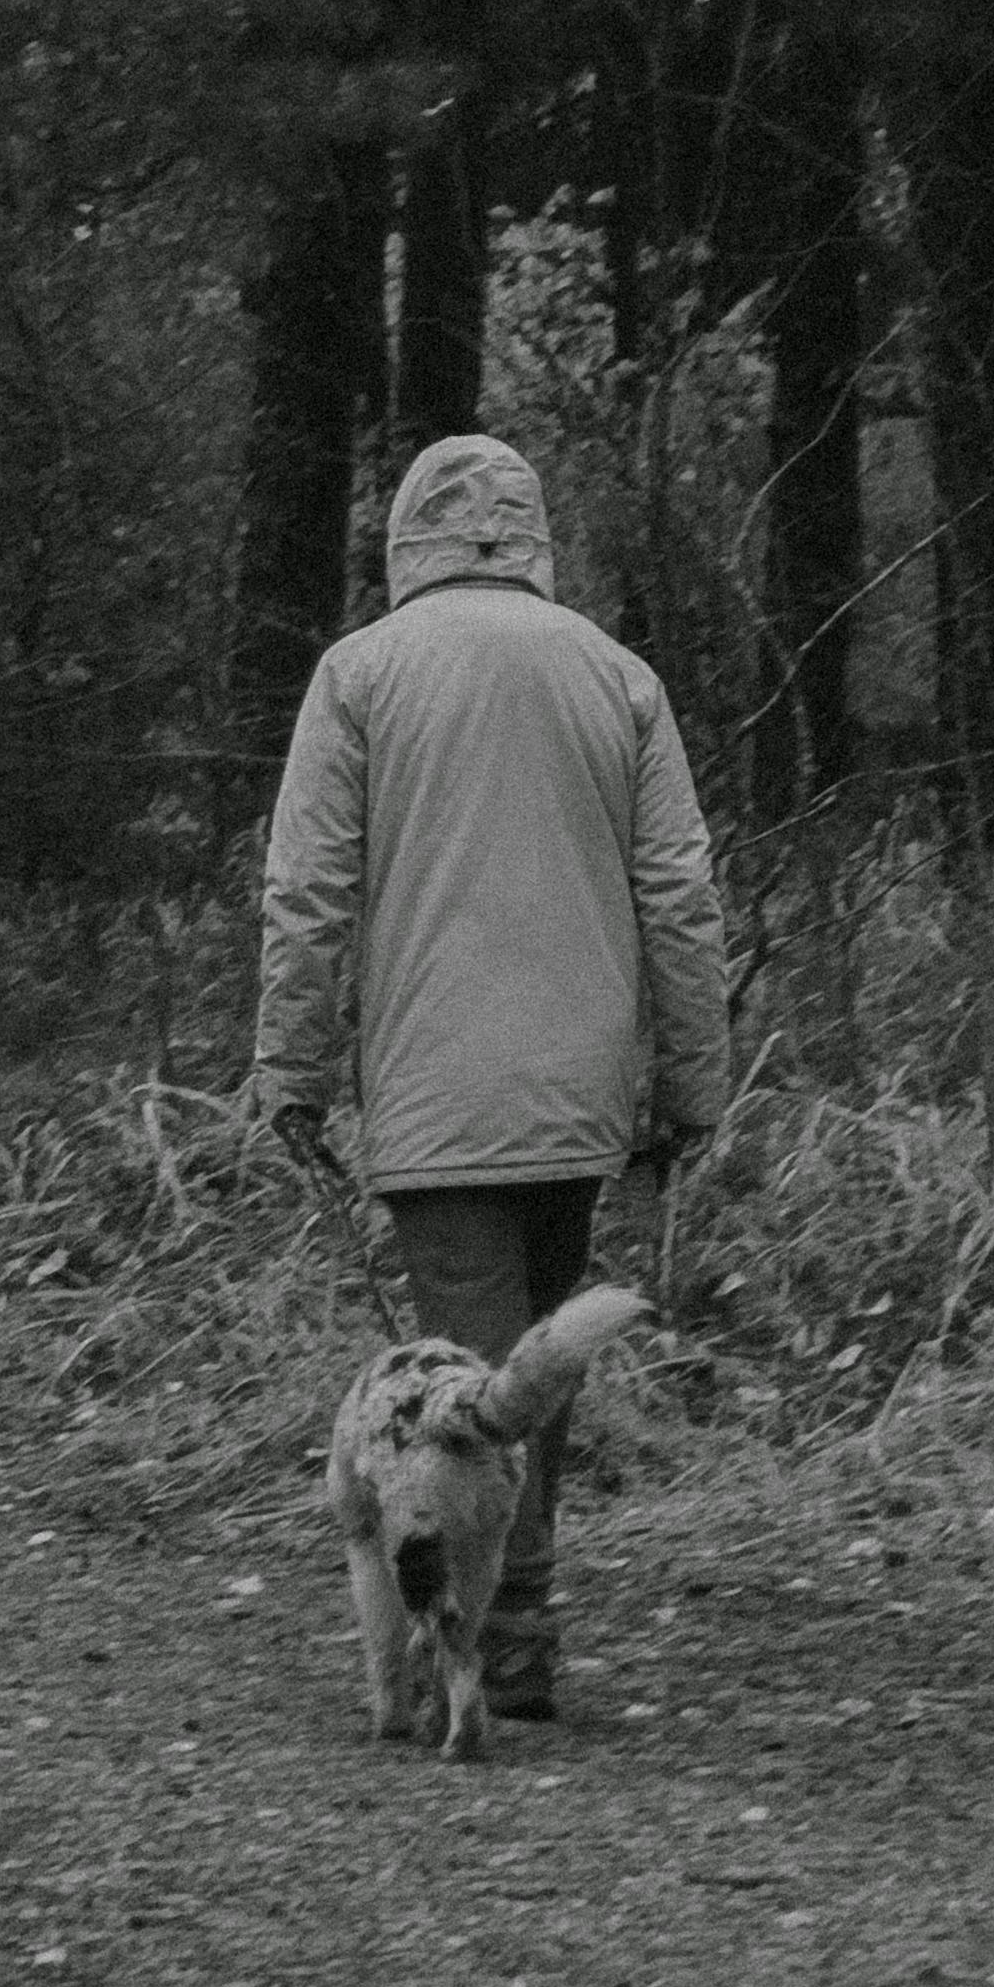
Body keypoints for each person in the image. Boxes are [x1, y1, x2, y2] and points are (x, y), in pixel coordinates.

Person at [250, 430, 731, 1723]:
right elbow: (681, 894)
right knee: (527, 1375)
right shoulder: (618, 676)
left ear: (408, 536)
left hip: (434, 1095)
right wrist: (691, 1086)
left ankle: (496, 1636)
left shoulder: (358, 673)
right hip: (580, 1094)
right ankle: (516, 1622)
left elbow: (309, 890)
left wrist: (289, 1068)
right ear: (531, 535)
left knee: (475, 1383)